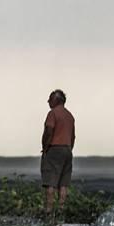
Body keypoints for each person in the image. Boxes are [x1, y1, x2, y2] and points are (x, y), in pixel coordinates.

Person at [41, 89, 76, 218]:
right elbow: (73, 137)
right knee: (63, 183)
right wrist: (69, 149)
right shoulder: (70, 116)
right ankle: (61, 212)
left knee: (51, 182)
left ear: (56, 100)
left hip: (54, 149)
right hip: (67, 150)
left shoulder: (52, 113)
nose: (48, 101)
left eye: (50, 99)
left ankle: (48, 213)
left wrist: (45, 147)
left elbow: (49, 131)